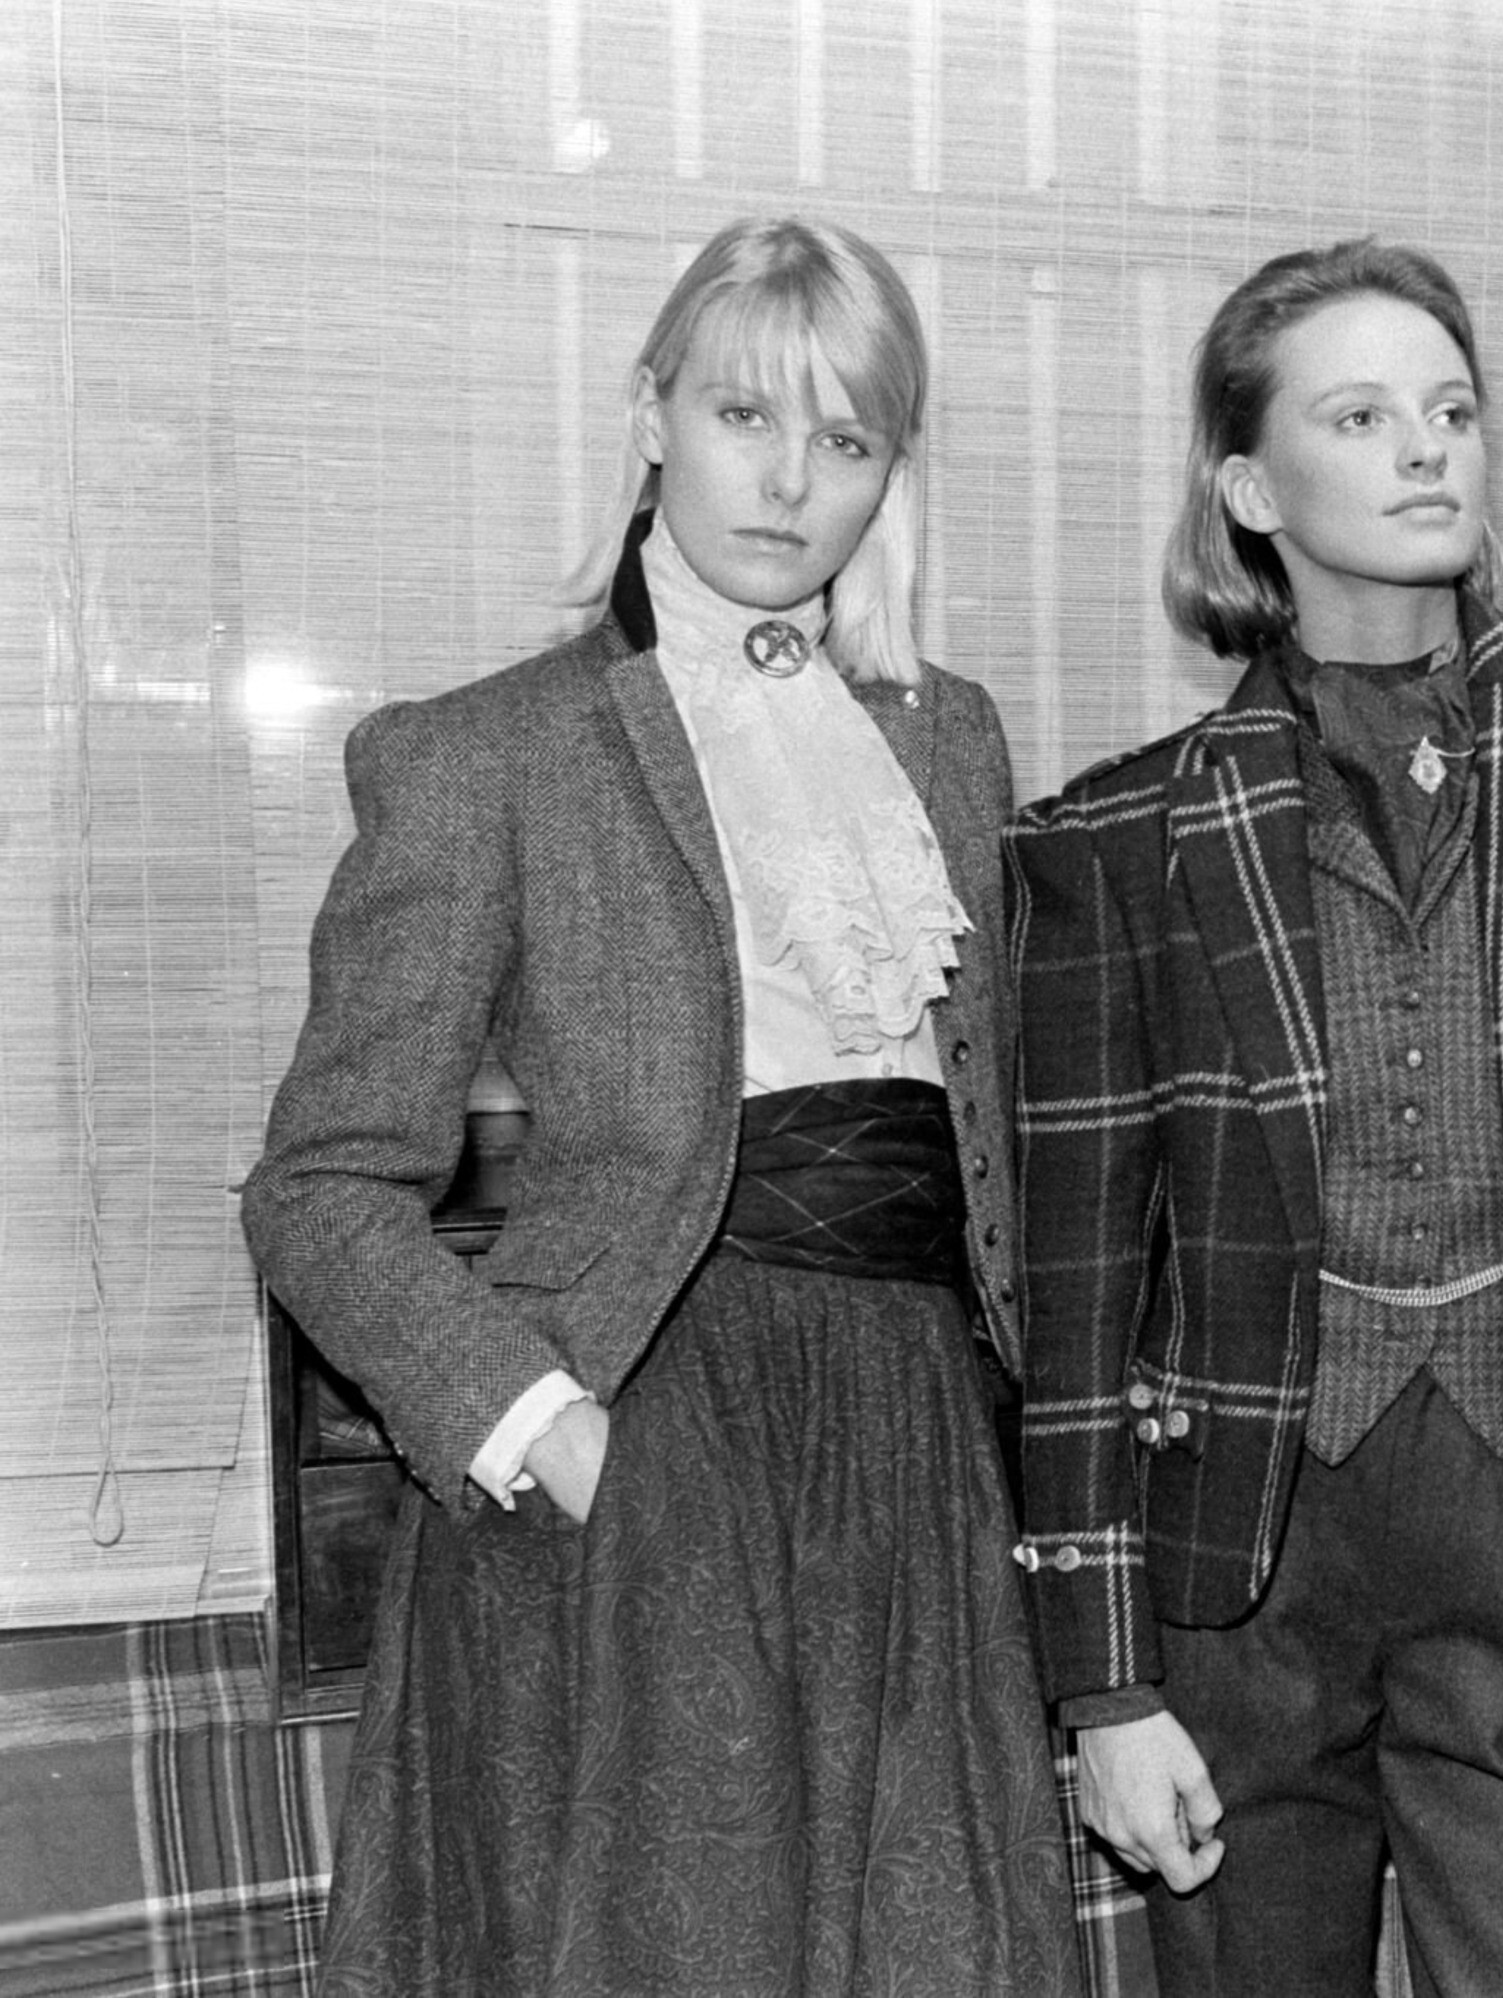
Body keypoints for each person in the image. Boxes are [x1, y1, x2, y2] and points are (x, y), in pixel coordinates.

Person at [242, 217, 1078, 1997]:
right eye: (742, 416)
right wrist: (550, 1430)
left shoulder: (951, 740)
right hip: (644, 1445)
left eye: (845, 438)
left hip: (913, 1443)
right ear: (650, 415)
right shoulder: (488, 754)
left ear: (891, 471)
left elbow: (1001, 1150)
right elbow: (319, 1188)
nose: (789, 482)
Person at [1009, 237, 1503, 1997]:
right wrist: (1104, 1680)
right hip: (1237, 1561)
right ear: (1251, 489)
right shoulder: (1115, 843)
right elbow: (1075, 1291)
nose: (1426, 448)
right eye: (1359, 416)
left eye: (1452, 410)